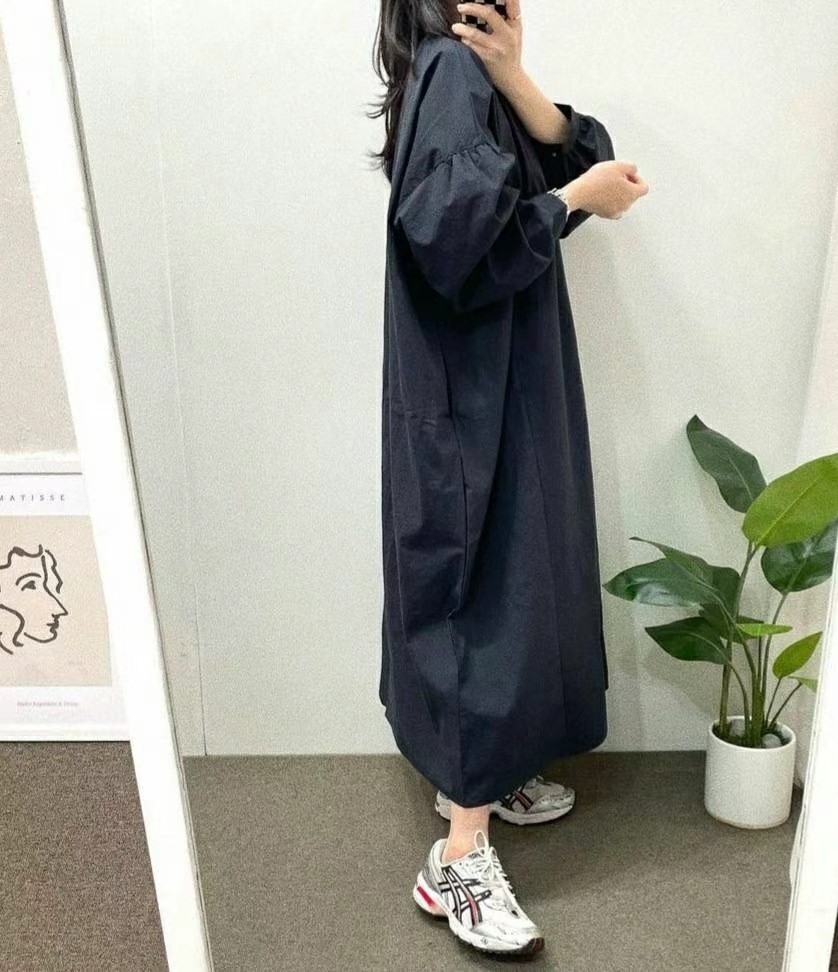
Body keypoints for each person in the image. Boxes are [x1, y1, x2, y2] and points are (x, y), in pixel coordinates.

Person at [369, 0, 648, 956]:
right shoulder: (449, 72)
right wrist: (575, 201)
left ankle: (486, 774)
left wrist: (517, 74)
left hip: (502, 381)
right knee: (479, 590)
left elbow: (567, 162)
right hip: (473, 396)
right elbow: (457, 243)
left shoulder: (469, 71)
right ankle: (458, 853)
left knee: (519, 576)